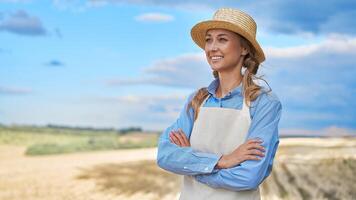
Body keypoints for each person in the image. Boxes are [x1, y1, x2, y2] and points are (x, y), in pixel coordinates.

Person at [156, 7, 282, 200]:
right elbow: (165, 155)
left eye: (222, 39)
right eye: (209, 40)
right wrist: (223, 161)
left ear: (244, 48)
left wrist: (193, 166)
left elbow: (249, 176)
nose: (212, 47)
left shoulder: (264, 103)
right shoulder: (196, 100)